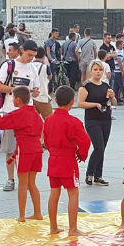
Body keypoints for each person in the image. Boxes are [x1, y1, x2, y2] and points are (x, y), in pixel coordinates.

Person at [0, 86, 44, 222]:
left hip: (24, 149)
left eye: (13, 98)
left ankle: (22, 215)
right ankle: (38, 213)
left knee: (23, 183)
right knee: (32, 183)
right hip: (37, 149)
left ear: (18, 100)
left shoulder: (18, 114)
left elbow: (1, 124)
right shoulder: (35, 114)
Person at [0, 40, 40, 192]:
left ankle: (24, 178)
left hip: (27, 113)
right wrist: (15, 89)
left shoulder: (33, 68)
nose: (31, 58)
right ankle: (10, 178)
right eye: (29, 55)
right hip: (10, 111)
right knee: (10, 147)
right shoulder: (9, 65)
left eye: (33, 56)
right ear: (22, 51)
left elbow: (36, 88)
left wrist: (34, 92)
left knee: (26, 148)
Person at [45, 86, 91, 236]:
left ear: (56, 100)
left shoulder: (49, 120)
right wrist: (81, 154)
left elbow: (46, 141)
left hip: (53, 159)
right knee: (73, 193)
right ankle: (72, 229)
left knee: (54, 193)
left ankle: (53, 227)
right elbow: (85, 141)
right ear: (72, 102)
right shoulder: (73, 122)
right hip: (67, 160)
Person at [77, 60, 117, 186]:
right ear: (90, 72)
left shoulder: (106, 85)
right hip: (92, 119)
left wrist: (112, 97)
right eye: (95, 69)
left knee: (102, 148)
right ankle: (90, 173)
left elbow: (114, 103)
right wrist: (95, 104)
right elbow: (80, 103)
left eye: (100, 70)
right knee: (98, 147)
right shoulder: (85, 86)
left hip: (105, 118)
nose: (98, 72)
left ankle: (98, 175)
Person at [31, 47, 54, 119]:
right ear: (44, 56)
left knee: (34, 121)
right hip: (43, 97)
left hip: (31, 98)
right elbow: (50, 77)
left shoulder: (29, 66)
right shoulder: (45, 67)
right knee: (49, 120)